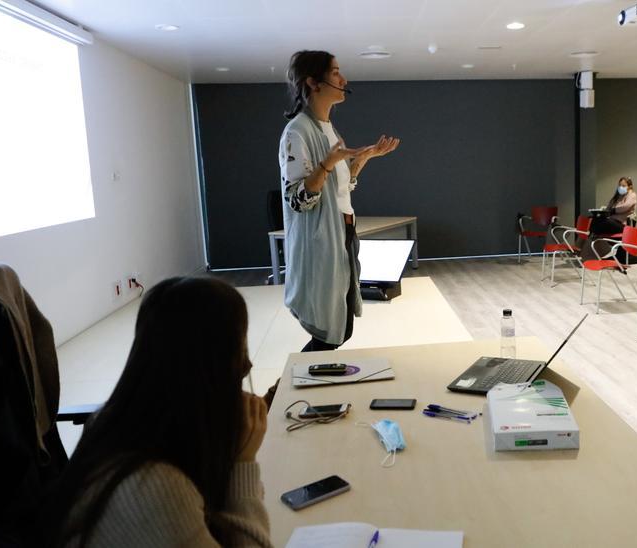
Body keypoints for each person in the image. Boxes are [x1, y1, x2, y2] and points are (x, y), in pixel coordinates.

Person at [39, 277, 273, 547]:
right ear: (210, 368)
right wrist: (244, 462)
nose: (248, 364)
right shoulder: (154, 486)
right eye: (239, 349)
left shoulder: (120, 424)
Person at [277, 50, 400, 352]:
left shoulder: (330, 130)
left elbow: (339, 189)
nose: (343, 80)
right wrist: (328, 163)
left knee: (341, 330)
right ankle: (286, 391)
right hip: (321, 244)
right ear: (313, 82)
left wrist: (364, 158)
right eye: (335, 73)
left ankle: (311, 388)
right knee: (329, 332)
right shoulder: (297, 132)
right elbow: (298, 200)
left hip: (342, 235)